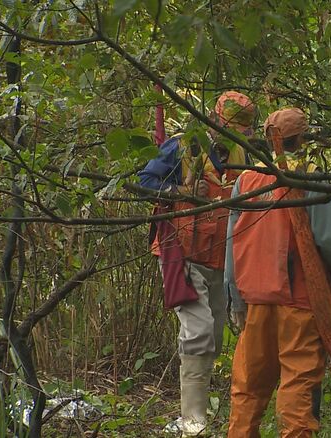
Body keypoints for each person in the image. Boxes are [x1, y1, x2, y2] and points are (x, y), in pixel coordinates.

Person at [224, 108, 331, 437]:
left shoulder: (246, 180)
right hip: (300, 301)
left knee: (248, 387)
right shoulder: (310, 177)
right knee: (298, 385)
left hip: (255, 300)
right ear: (303, 139)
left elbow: (231, 245)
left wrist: (235, 299)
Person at [138, 91, 256, 436]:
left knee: (214, 335)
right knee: (199, 330)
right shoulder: (182, 147)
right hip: (182, 250)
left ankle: (195, 413)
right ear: (214, 120)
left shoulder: (241, 152)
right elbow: (146, 181)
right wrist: (181, 192)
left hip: (219, 254)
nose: (235, 135)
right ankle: (193, 422)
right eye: (230, 127)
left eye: (241, 130)